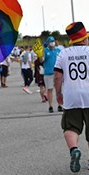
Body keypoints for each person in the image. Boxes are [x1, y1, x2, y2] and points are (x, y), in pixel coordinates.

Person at [54, 21, 89, 173]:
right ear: (85, 38)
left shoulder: (63, 54)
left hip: (71, 96)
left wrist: (58, 93)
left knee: (71, 127)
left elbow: (57, 77)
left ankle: (74, 149)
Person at [40, 36, 62, 113]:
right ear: (48, 43)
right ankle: (50, 106)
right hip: (48, 73)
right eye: (50, 41)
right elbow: (42, 60)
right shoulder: (45, 51)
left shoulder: (58, 50)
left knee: (58, 90)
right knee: (50, 89)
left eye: (53, 41)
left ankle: (60, 105)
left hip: (57, 73)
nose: (52, 43)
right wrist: (39, 55)